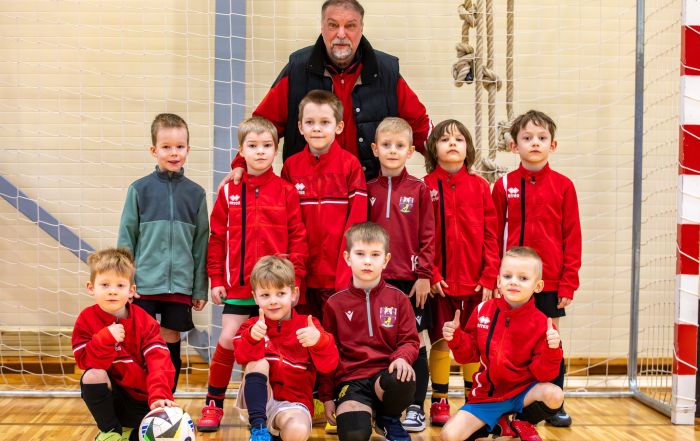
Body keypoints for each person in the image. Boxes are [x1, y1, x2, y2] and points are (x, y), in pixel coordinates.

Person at [225, 0, 431, 184]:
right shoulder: (297, 69)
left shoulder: (386, 71)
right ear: (322, 28)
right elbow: (264, 124)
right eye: (333, 25)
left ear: (361, 29)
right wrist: (241, 164)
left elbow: (420, 125)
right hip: (308, 193)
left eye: (350, 26)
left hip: (369, 192)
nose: (341, 34)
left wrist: (442, 161)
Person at [197, 116, 308, 432]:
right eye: (253, 145)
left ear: (275, 149)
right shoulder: (229, 190)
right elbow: (217, 238)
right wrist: (216, 279)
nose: (260, 151)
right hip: (239, 287)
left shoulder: (286, 191)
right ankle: (213, 403)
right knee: (228, 340)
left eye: (267, 145)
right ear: (241, 151)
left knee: (270, 350)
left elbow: (298, 237)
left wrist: (295, 281)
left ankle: (273, 409)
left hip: (276, 290)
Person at [491, 110, 582, 427]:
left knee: (550, 341)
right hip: (512, 283)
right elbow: (493, 235)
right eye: (527, 137)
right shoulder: (503, 185)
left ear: (552, 145)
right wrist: (495, 277)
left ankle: (553, 403)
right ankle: (506, 404)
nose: (535, 143)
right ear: (513, 145)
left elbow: (572, 237)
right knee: (509, 342)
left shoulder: (564, 186)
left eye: (542, 138)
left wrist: (568, 282)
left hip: (551, 283)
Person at [117, 113, 209, 392]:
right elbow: (126, 240)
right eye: (166, 147)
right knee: (141, 341)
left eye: (180, 146)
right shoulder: (139, 189)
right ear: (153, 150)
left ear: (188, 149)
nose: (173, 153)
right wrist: (126, 283)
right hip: (144, 284)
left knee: (170, 339)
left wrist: (199, 288)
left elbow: (201, 244)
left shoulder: (196, 194)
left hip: (179, 285)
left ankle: (166, 398)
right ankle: (139, 398)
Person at [440, 247, 565, 441]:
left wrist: (552, 349)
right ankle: (500, 424)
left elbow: (544, 375)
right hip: (486, 397)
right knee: (449, 436)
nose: (513, 282)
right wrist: (456, 337)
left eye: (523, 278)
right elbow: (467, 356)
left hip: (523, 394)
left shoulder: (542, 324)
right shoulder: (483, 310)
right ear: (498, 281)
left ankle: (521, 421)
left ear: (538, 286)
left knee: (554, 394)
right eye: (507, 276)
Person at [422, 119, 500, 426]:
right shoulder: (425, 186)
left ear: (468, 148)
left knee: (474, 342)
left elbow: (492, 235)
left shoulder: (480, 187)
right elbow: (421, 236)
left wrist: (490, 275)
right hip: (440, 285)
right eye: (444, 139)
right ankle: (439, 400)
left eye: (458, 139)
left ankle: (473, 399)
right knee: (441, 341)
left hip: (476, 283)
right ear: (433, 149)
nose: (452, 143)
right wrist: (431, 273)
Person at [320, 222, 420, 441]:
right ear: (347, 258)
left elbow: (410, 341)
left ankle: (388, 418)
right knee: (354, 435)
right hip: (351, 380)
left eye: (375, 255)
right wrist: (326, 397)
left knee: (403, 377)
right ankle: (364, 414)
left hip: (384, 377)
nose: (367, 261)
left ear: (386, 260)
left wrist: (402, 358)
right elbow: (327, 353)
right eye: (360, 254)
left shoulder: (399, 299)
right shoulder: (334, 304)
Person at [366, 117, 435, 432]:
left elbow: (428, 235)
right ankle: (382, 407)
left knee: (416, 341)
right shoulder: (367, 189)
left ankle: (416, 407)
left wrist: (424, 275)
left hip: (411, 282)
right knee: (380, 340)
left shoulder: (419, 189)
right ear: (375, 149)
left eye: (399, 145)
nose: (392, 151)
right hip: (376, 280)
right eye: (386, 145)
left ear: (410, 151)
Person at [72, 248, 177, 441]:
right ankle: (111, 431)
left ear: (131, 291)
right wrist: (105, 339)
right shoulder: (86, 319)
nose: (112, 291)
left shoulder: (145, 322)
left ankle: (131, 431)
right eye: (105, 284)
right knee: (92, 376)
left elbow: (159, 362)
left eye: (120, 285)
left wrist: (159, 396)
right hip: (113, 399)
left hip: (144, 400)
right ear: (91, 288)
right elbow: (85, 362)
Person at [233, 256, 340, 441]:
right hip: (260, 402)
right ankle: (258, 430)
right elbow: (240, 356)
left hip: (294, 405)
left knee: (298, 429)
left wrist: (319, 341)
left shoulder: (309, 325)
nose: (273, 301)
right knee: (258, 364)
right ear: (255, 297)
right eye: (265, 295)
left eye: (280, 293)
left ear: (294, 293)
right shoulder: (251, 326)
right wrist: (252, 338)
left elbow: (329, 365)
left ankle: (274, 435)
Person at [281, 89, 367, 310]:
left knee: (335, 332)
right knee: (303, 330)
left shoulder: (350, 165)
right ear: (300, 127)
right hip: (302, 278)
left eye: (325, 122)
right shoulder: (291, 167)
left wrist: (346, 273)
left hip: (338, 278)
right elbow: (288, 225)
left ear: (339, 127)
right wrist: (293, 275)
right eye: (309, 122)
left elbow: (356, 225)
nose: (316, 128)